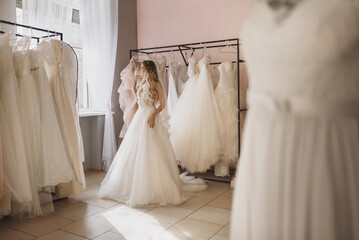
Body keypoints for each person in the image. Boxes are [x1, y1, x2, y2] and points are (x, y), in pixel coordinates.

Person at [98, 60, 206, 207]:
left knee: (151, 150)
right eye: (140, 68)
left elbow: (162, 103)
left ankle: (153, 187)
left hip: (150, 117)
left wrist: (153, 115)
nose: (140, 71)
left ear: (149, 70)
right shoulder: (141, 83)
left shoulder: (157, 84)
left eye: (142, 68)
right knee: (134, 151)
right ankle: (131, 184)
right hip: (139, 118)